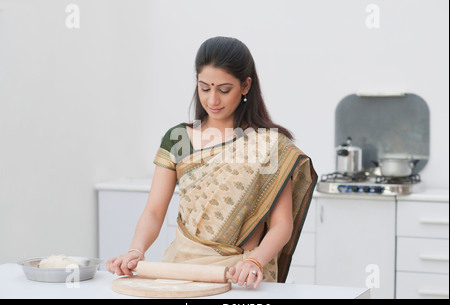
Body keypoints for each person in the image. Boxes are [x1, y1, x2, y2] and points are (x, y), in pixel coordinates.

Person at [106, 36, 317, 288]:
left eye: (224, 90)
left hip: (238, 275)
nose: (213, 100)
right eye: (204, 88)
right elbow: (153, 211)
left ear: (246, 85)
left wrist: (255, 262)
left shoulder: (267, 144)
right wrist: (136, 250)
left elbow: (282, 225)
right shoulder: (179, 138)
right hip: (180, 270)